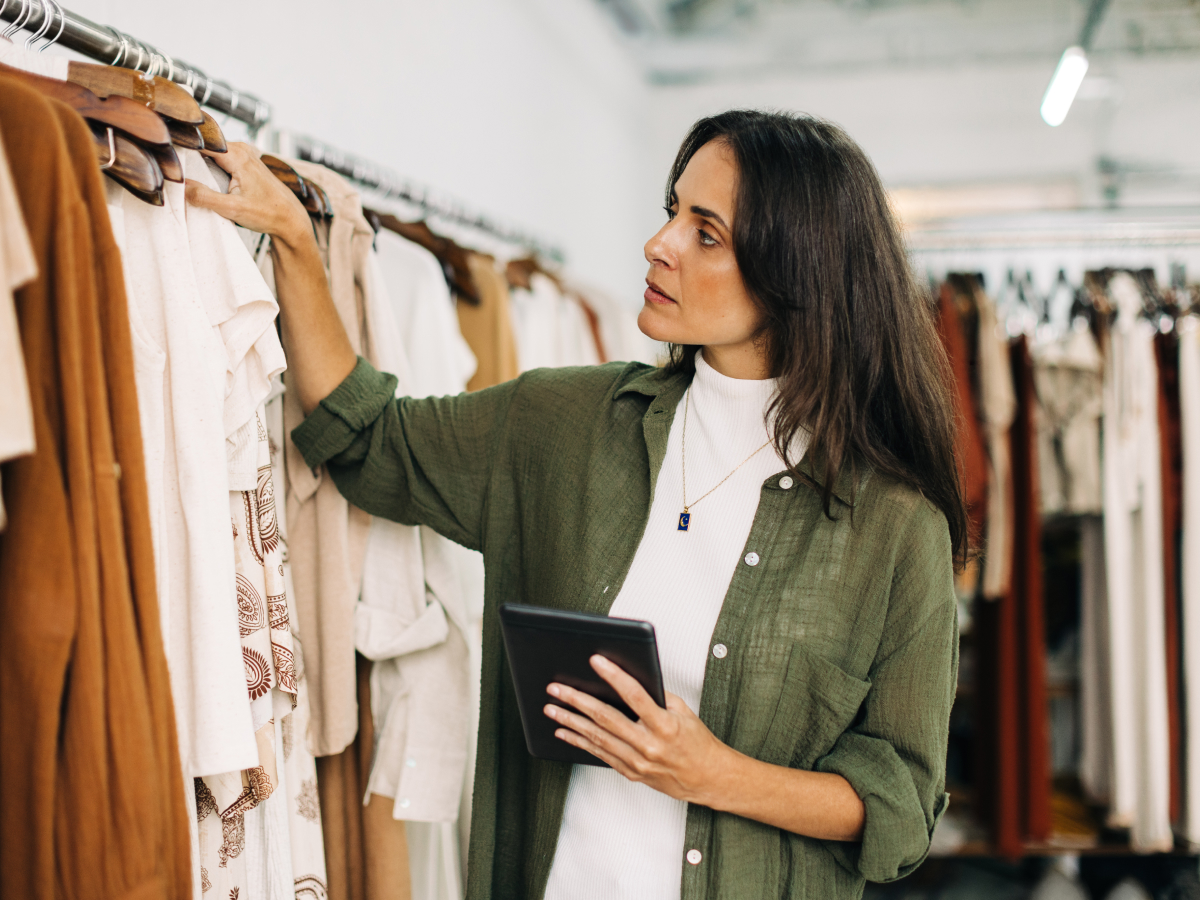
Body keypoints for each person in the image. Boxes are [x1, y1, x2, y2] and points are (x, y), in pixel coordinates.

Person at [187, 109, 964, 900]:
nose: (659, 244)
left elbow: (899, 807)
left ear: (799, 274)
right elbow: (369, 440)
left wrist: (712, 774)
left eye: (707, 232)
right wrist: (293, 240)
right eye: (672, 211)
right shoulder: (565, 427)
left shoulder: (895, 530)